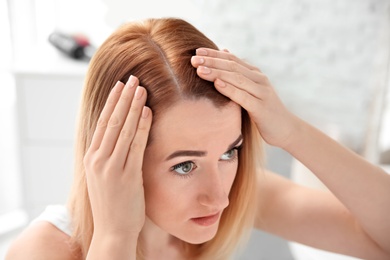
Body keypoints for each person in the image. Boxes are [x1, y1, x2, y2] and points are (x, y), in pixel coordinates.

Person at [5, 18, 390, 260]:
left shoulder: (234, 193)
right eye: (184, 165)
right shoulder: (43, 251)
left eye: (229, 152)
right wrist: (115, 237)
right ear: (116, 157)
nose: (219, 196)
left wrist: (292, 131)